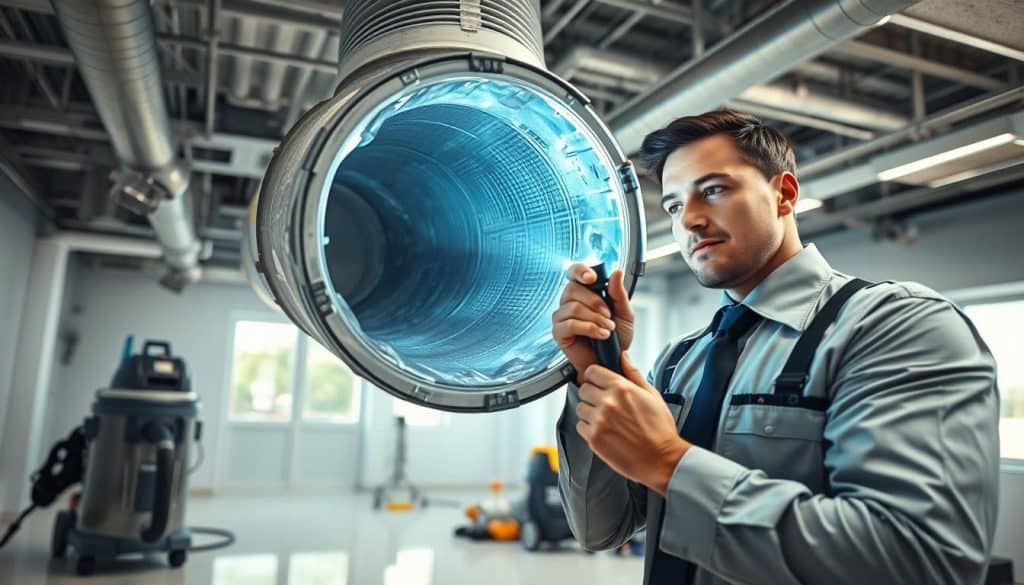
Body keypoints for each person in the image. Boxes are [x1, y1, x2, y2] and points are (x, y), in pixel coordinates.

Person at [551, 110, 1000, 585]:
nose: (692, 221)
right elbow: (600, 529)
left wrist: (669, 462)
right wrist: (598, 370)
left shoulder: (896, 326)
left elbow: (921, 562)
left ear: (784, 194)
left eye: (715, 190)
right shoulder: (681, 360)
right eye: (674, 206)